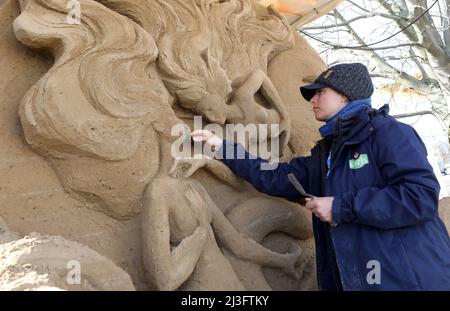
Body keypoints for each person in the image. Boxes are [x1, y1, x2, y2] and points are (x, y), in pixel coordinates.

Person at [190, 63, 450, 291]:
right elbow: (275, 176)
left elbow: (420, 197)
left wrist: (340, 207)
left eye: (320, 92)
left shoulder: (388, 133)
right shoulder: (324, 153)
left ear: (346, 96)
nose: (313, 100)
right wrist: (222, 147)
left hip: (409, 281)